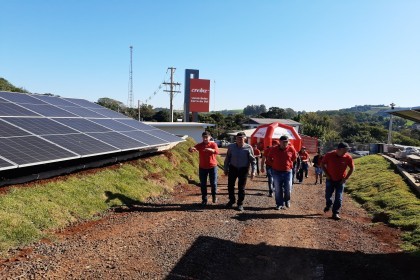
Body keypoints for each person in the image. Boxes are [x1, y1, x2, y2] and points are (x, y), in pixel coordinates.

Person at [320, 142, 355, 220]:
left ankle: (335, 213)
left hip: (340, 181)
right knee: (328, 195)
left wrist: (345, 178)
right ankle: (329, 204)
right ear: (340, 149)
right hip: (330, 179)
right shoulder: (329, 155)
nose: (346, 151)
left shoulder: (348, 157)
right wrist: (327, 175)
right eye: (345, 150)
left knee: (339, 197)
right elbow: (322, 164)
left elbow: (352, 168)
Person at [224, 132, 256, 211]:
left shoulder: (248, 147)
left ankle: (240, 204)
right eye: (238, 138)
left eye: (242, 138)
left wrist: (253, 171)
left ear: (245, 138)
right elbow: (227, 158)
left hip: (243, 169)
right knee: (230, 186)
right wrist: (225, 168)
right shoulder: (231, 147)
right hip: (233, 168)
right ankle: (232, 200)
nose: (240, 139)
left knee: (241, 187)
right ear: (236, 139)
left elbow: (253, 160)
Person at [188, 131, 219, 206]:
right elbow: (191, 149)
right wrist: (191, 149)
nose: (205, 139)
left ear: (210, 137)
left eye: (206, 137)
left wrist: (211, 150)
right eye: (204, 137)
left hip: (213, 167)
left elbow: (217, 151)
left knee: (213, 183)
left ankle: (214, 196)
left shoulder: (213, 144)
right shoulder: (200, 145)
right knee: (203, 184)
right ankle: (204, 200)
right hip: (202, 167)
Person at [267, 135, 297, 210]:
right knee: (278, 189)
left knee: (288, 188)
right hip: (276, 172)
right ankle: (279, 204)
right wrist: (274, 164)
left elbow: (294, 158)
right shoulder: (274, 149)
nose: (285, 143)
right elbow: (269, 158)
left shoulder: (291, 148)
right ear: (279, 142)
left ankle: (287, 200)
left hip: (288, 171)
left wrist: (289, 164)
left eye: (286, 142)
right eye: (283, 142)